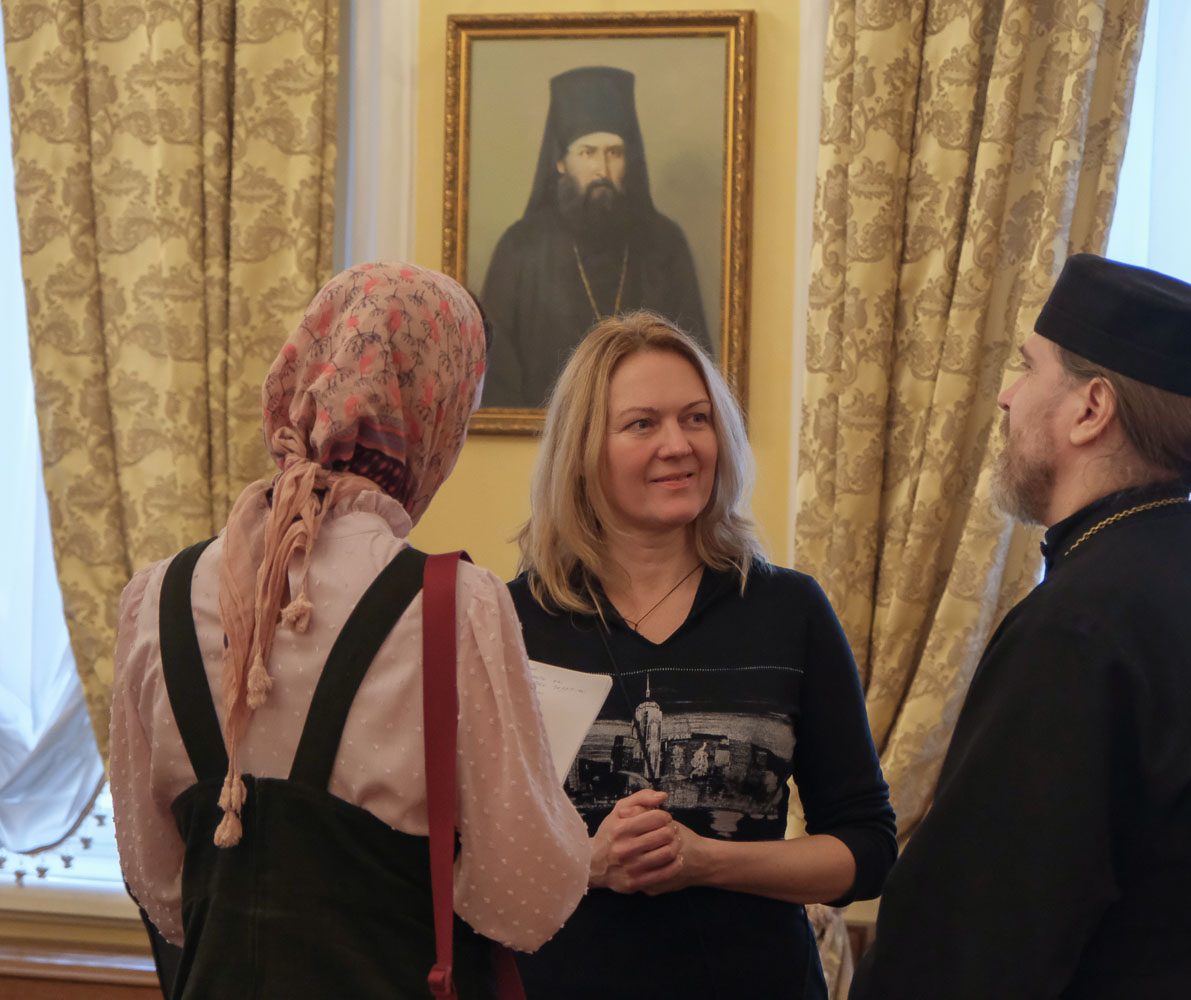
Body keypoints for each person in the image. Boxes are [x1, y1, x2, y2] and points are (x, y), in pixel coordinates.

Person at [850, 254, 1191, 1000]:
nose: (1005, 396)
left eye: (1028, 368)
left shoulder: (1073, 631)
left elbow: (970, 938)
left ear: (1091, 409)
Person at [109, 262, 591, 999]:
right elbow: (522, 901)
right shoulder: (458, 604)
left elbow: (161, 885)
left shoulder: (155, 597)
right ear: (434, 416)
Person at [506, 311, 896, 999]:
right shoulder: (511, 621)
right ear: (583, 449)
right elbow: (456, 859)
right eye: (642, 424)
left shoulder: (791, 610)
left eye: (696, 418)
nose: (678, 445)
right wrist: (588, 863)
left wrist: (706, 861)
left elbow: (866, 849)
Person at [480, 66, 710, 409]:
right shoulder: (520, 250)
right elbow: (496, 378)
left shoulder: (666, 245)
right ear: (560, 162)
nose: (602, 169)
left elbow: (695, 369)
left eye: (614, 152)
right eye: (587, 153)